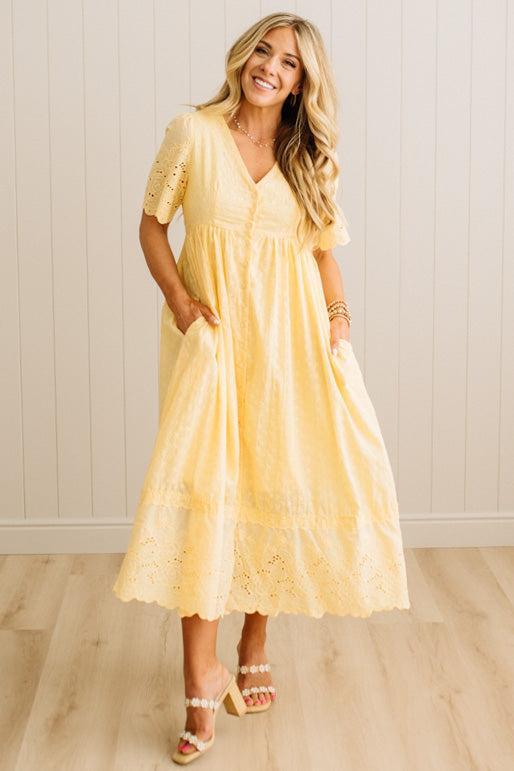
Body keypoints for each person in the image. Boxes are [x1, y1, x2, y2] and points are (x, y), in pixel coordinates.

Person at [112, 11, 410, 765]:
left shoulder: (309, 159)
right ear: (244, 55)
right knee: (205, 497)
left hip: (290, 350)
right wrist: (182, 304)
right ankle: (199, 679)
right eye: (264, 51)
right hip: (210, 348)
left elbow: (324, 256)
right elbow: (151, 226)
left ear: (302, 83)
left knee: (270, 485)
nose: (270, 67)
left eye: (289, 62)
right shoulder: (192, 134)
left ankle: (253, 642)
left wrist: (338, 321)